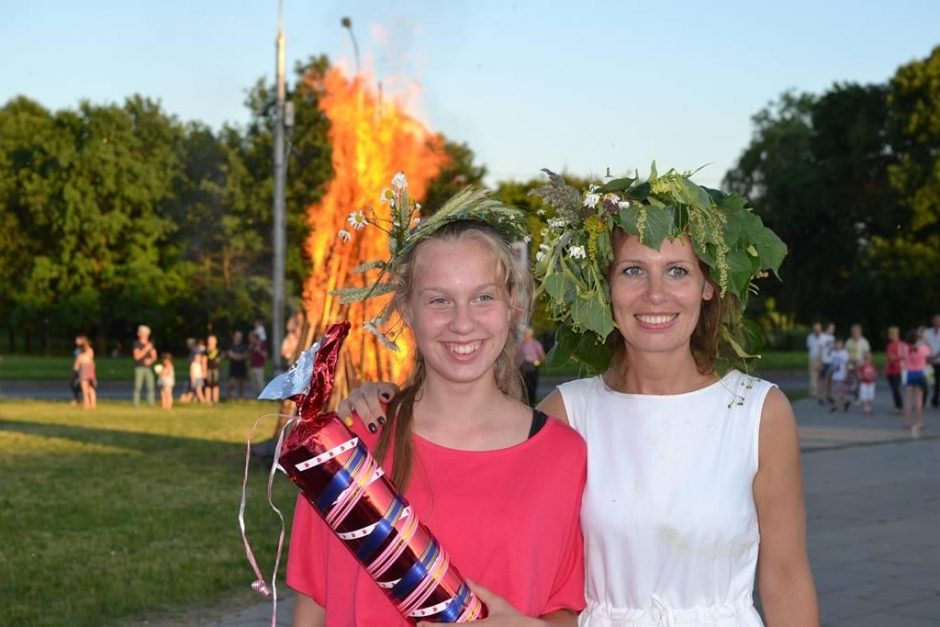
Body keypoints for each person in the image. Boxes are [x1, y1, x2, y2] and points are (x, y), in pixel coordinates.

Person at [345, 169, 819, 625]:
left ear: (709, 285)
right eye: (634, 270)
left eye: (677, 271)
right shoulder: (568, 415)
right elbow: (477, 449)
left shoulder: (757, 412)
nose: (656, 294)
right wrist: (390, 402)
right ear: (605, 287)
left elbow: (786, 578)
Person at [290, 183, 586, 626]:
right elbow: (314, 603)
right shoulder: (349, 444)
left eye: (483, 297)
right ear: (407, 308)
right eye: (439, 300)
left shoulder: (563, 454)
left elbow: (563, 608)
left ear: (513, 305)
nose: (462, 323)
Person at [901, 328, 931, 435]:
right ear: (917, 339)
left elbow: (905, 345)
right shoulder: (922, 348)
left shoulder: (905, 348)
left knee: (908, 399)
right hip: (919, 373)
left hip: (909, 374)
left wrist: (914, 336)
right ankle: (919, 422)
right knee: (919, 400)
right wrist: (925, 338)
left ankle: (907, 422)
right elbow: (930, 351)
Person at [519, 326, 547, 406]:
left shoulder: (535, 344)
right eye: (524, 334)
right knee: (524, 386)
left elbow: (542, 356)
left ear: (530, 335)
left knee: (532, 385)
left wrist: (538, 362)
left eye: (526, 334)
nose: (525, 336)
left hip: (533, 366)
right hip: (524, 366)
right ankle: (526, 402)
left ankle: (532, 403)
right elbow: (519, 356)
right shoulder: (522, 344)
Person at [132, 325, 157, 407]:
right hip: (139, 367)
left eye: (142, 332)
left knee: (151, 386)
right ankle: (136, 404)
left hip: (148, 368)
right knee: (137, 386)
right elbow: (137, 356)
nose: (140, 334)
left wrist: (150, 360)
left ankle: (151, 403)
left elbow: (154, 356)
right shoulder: (137, 344)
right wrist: (146, 349)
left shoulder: (150, 344)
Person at [884, 326, 905, 414]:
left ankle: (900, 406)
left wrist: (894, 358)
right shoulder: (889, 345)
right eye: (890, 334)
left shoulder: (901, 344)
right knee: (893, 389)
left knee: (896, 388)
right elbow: (887, 357)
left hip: (898, 369)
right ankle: (896, 406)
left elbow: (904, 356)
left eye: (892, 334)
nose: (890, 336)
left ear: (896, 334)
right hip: (890, 369)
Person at [73, 334, 96, 410]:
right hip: (91, 369)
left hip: (84, 370)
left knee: (85, 388)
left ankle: (86, 404)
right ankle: (93, 404)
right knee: (91, 388)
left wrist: (75, 371)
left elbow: (77, 365)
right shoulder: (91, 351)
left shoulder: (81, 355)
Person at [828, 339, 851, 413]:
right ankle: (845, 402)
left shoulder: (844, 353)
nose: (837, 345)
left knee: (838, 391)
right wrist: (830, 373)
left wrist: (846, 374)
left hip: (841, 375)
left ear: (842, 345)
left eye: (839, 344)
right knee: (836, 391)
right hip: (835, 375)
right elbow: (832, 365)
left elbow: (846, 365)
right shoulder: (833, 353)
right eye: (836, 344)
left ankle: (835, 406)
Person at [806, 322, 826, 400]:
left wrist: (820, 361)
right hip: (812, 359)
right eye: (815, 329)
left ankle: (821, 392)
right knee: (813, 377)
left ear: (821, 329)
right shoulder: (810, 337)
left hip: (822, 360)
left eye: (818, 329)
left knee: (821, 378)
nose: (817, 331)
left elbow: (823, 350)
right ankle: (814, 393)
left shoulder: (824, 337)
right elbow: (809, 347)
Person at [817, 322, 836, 404]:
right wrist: (820, 361)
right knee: (822, 379)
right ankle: (821, 396)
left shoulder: (833, 338)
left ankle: (829, 395)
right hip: (824, 361)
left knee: (830, 380)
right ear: (827, 328)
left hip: (831, 361)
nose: (833, 330)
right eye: (831, 328)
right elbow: (821, 349)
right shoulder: (822, 337)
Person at [227, 330, 249, 400]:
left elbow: (246, 354)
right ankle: (230, 396)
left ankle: (240, 397)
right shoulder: (230, 345)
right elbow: (230, 354)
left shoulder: (243, 345)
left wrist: (237, 357)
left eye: (240, 336)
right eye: (237, 336)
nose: (238, 338)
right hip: (233, 366)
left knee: (241, 382)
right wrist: (239, 357)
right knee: (231, 382)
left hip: (241, 365)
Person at [925, 314, 940, 408]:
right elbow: (923, 344)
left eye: (938, 321)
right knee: (928, 381)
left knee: (938, 381)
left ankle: (935, 399)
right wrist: (928, 356)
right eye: (935, 320)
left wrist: (935, 356)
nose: (937, 322)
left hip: (938, 360)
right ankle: (923, 400)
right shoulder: (927, 332)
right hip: (928, 361)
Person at [247, 331, 268, 396]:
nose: (250, 339)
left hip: (259, 366)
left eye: (251, 338)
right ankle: (256, 396)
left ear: (255, 338)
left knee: (260, 382)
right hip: (252, 366)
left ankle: (262, 396)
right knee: (253, 383)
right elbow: (248, 356)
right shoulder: (251, 345)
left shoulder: (261, 345)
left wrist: (259, 350)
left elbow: (265, 355)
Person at [205, 334, 222, 405]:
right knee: (208, 385)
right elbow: (204, 360)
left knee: (216, 385)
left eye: (213, 341)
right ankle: (208, 400)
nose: (211, 342)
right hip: (208, 369)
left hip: (216, 370)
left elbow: (220, 359)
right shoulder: (206, 350)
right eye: (210, 341)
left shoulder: (218, 350)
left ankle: (215, 400)